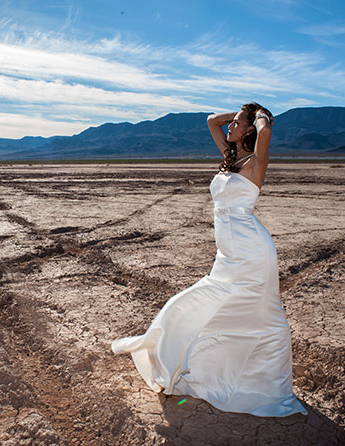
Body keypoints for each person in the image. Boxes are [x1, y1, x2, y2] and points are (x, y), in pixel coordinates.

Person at [111, 103, 307, 417]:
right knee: (209, 307)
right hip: (228, 254)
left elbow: (266, 131)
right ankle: (204, 366)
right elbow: (211, 122)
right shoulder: (233, 158)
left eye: (237, 125)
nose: (230, 128)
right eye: (234, 124)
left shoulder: (256, 161)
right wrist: (237, 116)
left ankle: (265, 384)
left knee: (257, 312)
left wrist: (257, 117)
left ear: (249, 130)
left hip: (252, 250)